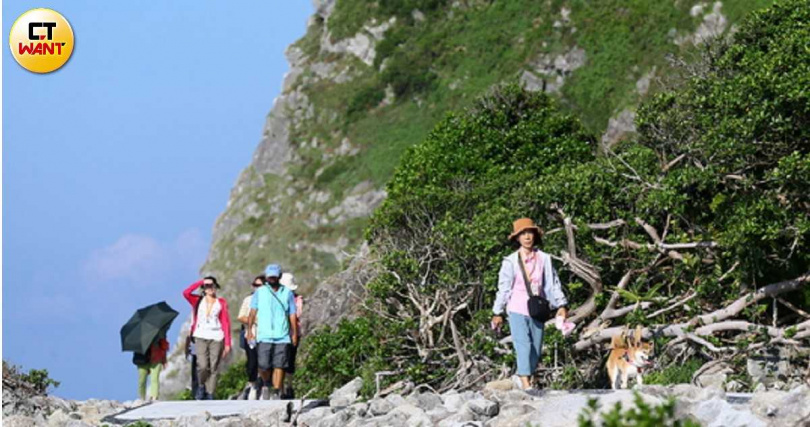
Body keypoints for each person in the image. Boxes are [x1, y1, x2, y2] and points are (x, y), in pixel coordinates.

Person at [491, 218, 569, 391]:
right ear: (517, 238)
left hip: (537, 309)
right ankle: (526, 384)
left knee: (536, 347)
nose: (527, 237)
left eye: (530, 233)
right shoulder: (510, 261)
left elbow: (551, 284)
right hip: (516, 308)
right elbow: (503, 289)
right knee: (523, 344)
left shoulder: (544, 259)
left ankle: (524, 376)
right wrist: (497, 312)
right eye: (523, 234)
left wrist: (561, 305)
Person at [246, 264, 298, 400]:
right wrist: (249, 330)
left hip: (282, 334)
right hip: (264, 334)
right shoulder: (260, 292)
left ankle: (276, 390)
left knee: (280, 364)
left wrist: (294, 333)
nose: (272, 279)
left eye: (275, 276)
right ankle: (267, 383)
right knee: (263, 365)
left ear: (279, 277)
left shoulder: (287, 293)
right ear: (267, 277)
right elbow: (252, 312)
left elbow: (292, 314)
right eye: (270, 276)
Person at [183, 276, 232, 400]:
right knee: (203, 365)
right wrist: (201, 282)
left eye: (212, 286)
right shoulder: (198, 300)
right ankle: (201, 385)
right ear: (204, 288)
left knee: (214, 366)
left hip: (216, 337)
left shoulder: (221, 302)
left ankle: (210, 393)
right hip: (200, 336)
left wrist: (227, 343)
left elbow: (225, 322)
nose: (210, 288)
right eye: (207, 286)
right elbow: (186, 293)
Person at [237, 275, 265, 400]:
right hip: (251, 334)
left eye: (259, 285)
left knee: (265, 362)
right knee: (252, 362)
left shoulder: (270, 299)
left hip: (266, 335)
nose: (256, 288)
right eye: (255, 285)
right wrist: (253, 320)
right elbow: (240, 316)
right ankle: (253, 385)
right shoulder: (248, 300)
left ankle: (265, 387)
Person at [279, 272, 302, 399]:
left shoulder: (298, 300)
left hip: (293, 334)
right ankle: (281, 389)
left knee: (290, 361)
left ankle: (289, 386)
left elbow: (298, 314)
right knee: (281, 361)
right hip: (281, 334)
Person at [133, 333, 169, 401]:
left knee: (154, 379)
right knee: (142, 380)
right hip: (143, 359)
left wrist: (164, 360)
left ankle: (154, 397)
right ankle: (141, 398)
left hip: (156, 359)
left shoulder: (159, 333)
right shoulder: (137, 335)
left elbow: (164, 347)